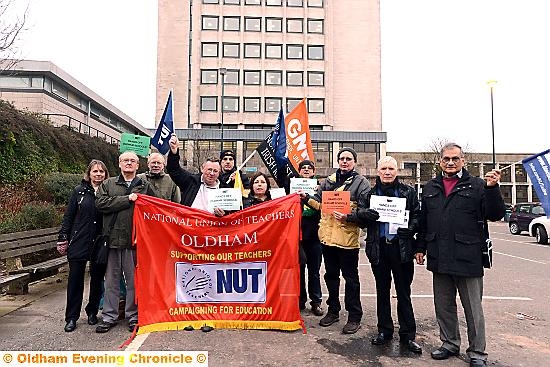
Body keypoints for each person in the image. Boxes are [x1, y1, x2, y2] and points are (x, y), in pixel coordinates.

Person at [415, 143, 505, 367]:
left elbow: (495, 214)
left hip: (468, 256)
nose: (450, 162)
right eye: (446, 158)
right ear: (440, 162)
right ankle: (449, 343)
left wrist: (493, 188)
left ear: (463, 161)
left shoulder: (477, 186)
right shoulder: (430, 187)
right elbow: (424, 222)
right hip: (439, 256)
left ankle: (477, 352)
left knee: (473, 309)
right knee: (443, 305)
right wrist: (420, 247)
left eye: (455, 158)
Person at [302, 147, 370, 334]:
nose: (345, 161)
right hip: (327, 239)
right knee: (330, 277)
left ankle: (354, 315)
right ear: (337, 161)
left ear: (354, 162)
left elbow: (366, 212)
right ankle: (333, 310)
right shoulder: (329, 181)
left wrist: (349, 216)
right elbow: (318, 202)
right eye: (342, 158)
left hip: (347, 240)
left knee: (351, 279)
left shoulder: (361, 183)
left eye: (348, 158)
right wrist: (306, 197)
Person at [359, 156, 422, 353]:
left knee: (404, 292)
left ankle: (408, 335)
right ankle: (384, 330)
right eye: (384, 168)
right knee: (382, 291)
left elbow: (419, 215)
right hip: (379, 249)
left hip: (401, 248)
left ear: (397, 171)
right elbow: (359, 216)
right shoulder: (370, 194)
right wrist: (365, 215)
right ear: (378, 171)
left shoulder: (408, 192)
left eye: (391, 168)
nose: (387, 172)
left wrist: (411, 228)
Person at [95, 151, 152, 333]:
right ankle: (109, 316)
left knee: (133, 283)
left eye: (132, 161)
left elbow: (155, 207)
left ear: (138, 166)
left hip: (134, 242)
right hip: (111, 240)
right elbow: (101, 204)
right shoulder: (108, 184)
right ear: (119, 164)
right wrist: (127, 199)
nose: (129, 163)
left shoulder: (144, 185)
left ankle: (133, 316)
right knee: (111, 282)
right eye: (125, 160)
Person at [57, 160, 109, 332]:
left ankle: (92, 311)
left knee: (97, 279)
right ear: (89, 173)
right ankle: (71, 317)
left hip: (99, 243)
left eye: (101, 171)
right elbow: (69, 216)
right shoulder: (79, 192)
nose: (98, 174)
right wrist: (63, 237)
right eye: (95, 171)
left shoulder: (108, 191)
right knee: (75, 281)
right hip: (79, 241)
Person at [166, 135, 228, 216]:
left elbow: (231, 214)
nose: (212, 173)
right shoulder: (190, 181)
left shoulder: (226, 189)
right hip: (189, 225)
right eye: (209, 169)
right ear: (202, 169)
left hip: (212, 227)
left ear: (219, 172)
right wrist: (174, 152)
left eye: (215, 171)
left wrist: (224, 214)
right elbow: (174, 170)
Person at [296, 160, 324, 316]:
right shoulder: (293, 186)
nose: (306, 170)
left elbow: (324, 206)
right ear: (299, 171)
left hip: (315, 236)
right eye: (303, 168)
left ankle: (316, 302)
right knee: (299, 270)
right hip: (298, 236)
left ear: (314, 171)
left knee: (314, 271)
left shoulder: (321, 187)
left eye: (309, 168)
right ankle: (300, 300)